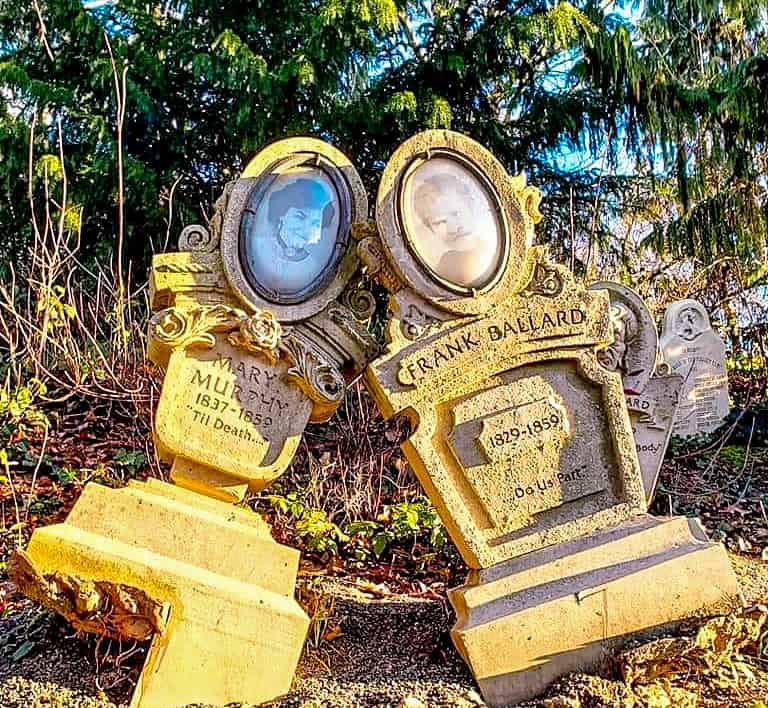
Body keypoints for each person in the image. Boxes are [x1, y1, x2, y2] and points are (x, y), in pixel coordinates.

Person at [244, 174, 338, 299]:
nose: (306, 229)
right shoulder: (256, 248)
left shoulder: (314, 268)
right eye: (300, 217)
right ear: (282, 214)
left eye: (315, 223)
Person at [410, 170, 498, 288]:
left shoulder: (493, 251)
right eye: (440, 222)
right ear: (430, 228)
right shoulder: (445, 265)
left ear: (470, 204)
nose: (454, 228)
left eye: (456, 213)